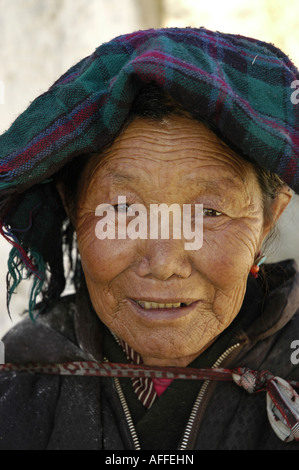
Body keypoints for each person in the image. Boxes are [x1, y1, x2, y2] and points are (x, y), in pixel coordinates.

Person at [0, 27, 298, 450]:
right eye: (122, 210)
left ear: (269, 218)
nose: (163, 261)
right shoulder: (22, 374)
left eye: (208, 213)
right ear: (71, 207)